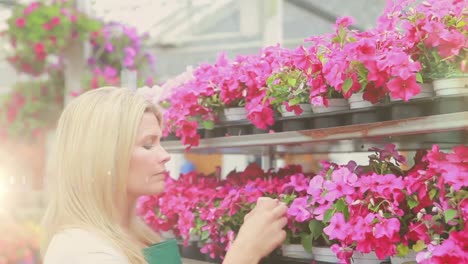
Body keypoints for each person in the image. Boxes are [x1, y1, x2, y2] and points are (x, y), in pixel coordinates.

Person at [41, 87, 288, 264]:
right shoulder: (87, 253)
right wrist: (244, 252)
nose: (165, 155)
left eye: (160, 141)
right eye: (148, 145)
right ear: (105, 156)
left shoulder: (138, 236)